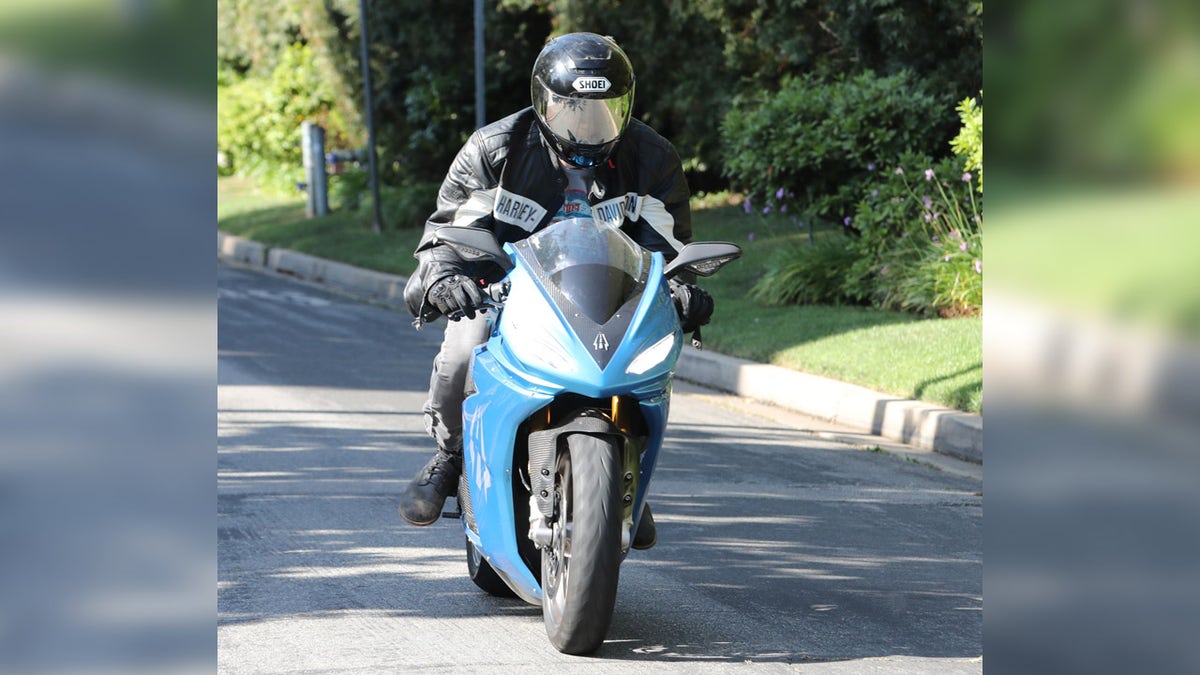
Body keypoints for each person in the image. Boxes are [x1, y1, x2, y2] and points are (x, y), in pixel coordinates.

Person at [398, 33, 714, 550]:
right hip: (503, 290)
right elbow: (444, 233)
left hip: (610, 296)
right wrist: (442, 279)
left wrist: (680, 289)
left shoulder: (652, 157)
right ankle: (452, 455)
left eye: (605, 110)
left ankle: (619, 472)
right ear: (543, 101)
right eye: (572, 109)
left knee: (645, 366)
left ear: (627, 105)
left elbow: (670, 249)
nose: (589, 125)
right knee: (459, 355)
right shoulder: (494, 149)